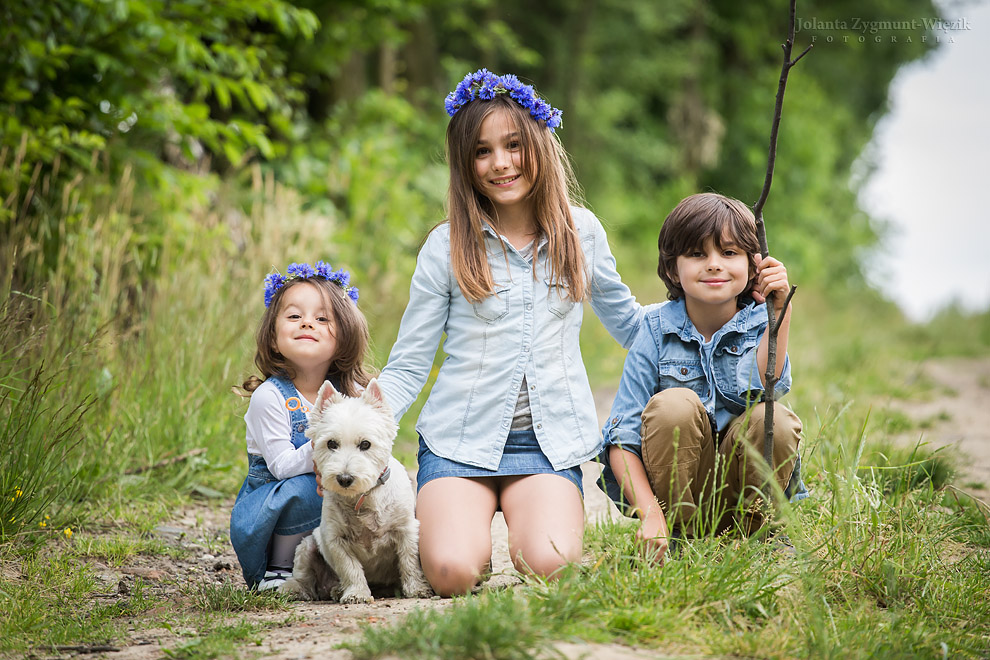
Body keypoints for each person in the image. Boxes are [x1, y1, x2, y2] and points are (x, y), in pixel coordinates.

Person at [376, 69, 646, 596]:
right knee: (453, 573)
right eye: (482, 151)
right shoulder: (445, 246)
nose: (500, 163)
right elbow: (409, 364)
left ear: (540, 145)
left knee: (549, 565)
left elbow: (635, 327)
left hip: (546, 449)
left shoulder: (582, 233)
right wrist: (360, 434)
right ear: (465, 163)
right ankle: (460, 524)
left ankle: (533, 520)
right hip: (459, 443)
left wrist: (722, 309)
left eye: (514, 145)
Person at [599, 192, 807, 562]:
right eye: (697, 254)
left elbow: (768, 386)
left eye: (728, 253)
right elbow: (622, 439)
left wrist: (780, 315)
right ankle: (680, 536)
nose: (713, 265)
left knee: (773, 418)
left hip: (739, 497)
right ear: (672, 267)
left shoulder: (761, 322)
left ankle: (757, 532)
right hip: (675, 502)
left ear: (753, 265)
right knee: (673, 405)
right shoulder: (655, 329)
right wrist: (650, 515)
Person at [230, 261, 371, 590]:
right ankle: (280, 569)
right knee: (309, 490)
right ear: (274, 338)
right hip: (274, 510)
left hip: (334, 506)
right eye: (294, 316)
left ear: (344, 337)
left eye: (322, 319)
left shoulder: (352, 394)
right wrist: (326, 441)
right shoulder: (270, 398)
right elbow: (280, 468)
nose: (308, 322)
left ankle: (351, 567)